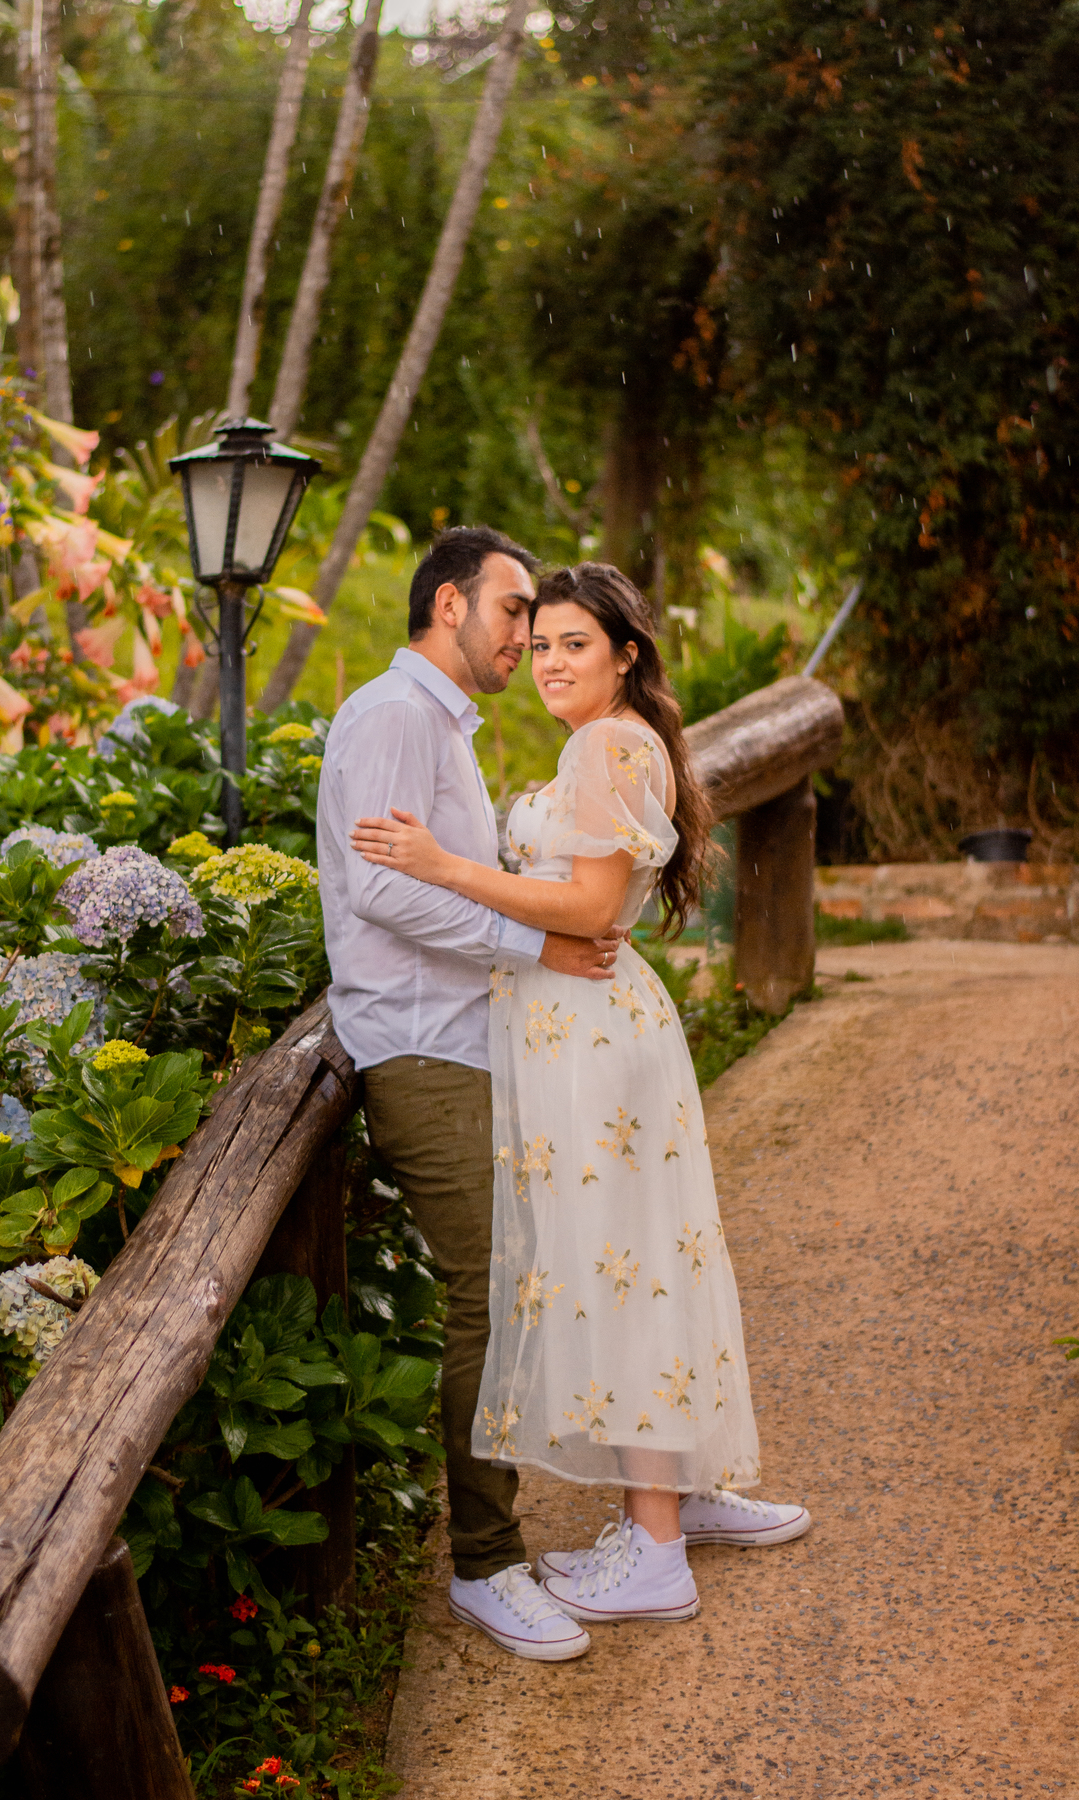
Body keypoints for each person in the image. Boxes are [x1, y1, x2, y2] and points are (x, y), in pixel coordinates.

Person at [350, 560, 811, 1634]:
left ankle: (654, 1548)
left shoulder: (606, 744)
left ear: (626, 656)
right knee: (638, 1261)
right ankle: (672, 1502)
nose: (550, 660)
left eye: (574, 645)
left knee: (618, 1270)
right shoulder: (616, 742)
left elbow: (592, 904)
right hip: (587, 1028)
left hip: (589, 1032)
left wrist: (440, 863)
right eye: (541, 641)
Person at [318, 527, 628, 1664]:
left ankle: (508, 1544)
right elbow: (384, 894)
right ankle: (486, 1566)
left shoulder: (439, 726)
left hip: (468, 1041)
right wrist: (527, 946)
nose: (524, 634)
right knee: (490, 1292)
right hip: (418, 1048)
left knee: (516, 1284)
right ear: (448, 605)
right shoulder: (393, 717)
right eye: (510, 610)